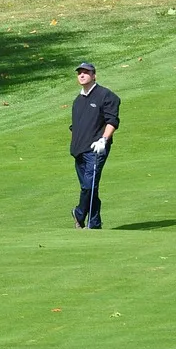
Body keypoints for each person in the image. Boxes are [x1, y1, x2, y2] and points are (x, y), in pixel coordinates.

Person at [69, 62, 120, 230]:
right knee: (91, 189)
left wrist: (104, 140)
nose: (82, 75)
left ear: (94, 75)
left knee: (89, 185)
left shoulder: (105, 95)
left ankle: (79, 212)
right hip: (78, 151)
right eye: (80, 73)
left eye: (86, 72)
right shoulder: (78, 101)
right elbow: (75, 126)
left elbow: (112, 120)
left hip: (96, 149)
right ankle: (94, 224)